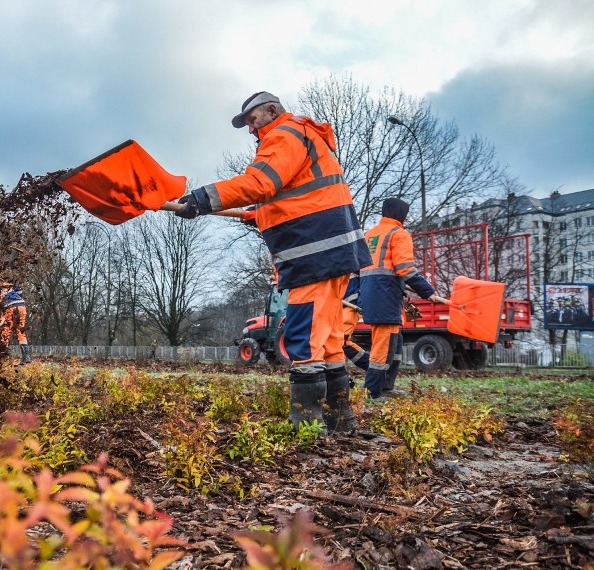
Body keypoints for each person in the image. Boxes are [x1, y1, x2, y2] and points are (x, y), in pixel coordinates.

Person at [175, 91, 372, 433]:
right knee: (327, 339)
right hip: (334, 249)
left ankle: (307, 425)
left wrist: (205, 197)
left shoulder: (283, 134)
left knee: (303, 335)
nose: (251, 129)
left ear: (271, 110)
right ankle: (340, 421)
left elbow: (261, 182)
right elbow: (296, 193)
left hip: (312, 249)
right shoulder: (306, 135)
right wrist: (261, 214)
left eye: (252, 120)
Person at [359, 198, 439, 399]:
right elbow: (405, 269)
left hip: (371, 293)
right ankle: (373, 393)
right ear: (401, 214)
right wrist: (428, 292)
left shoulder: (369, 234)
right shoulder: (399, 234)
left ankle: (386, 387)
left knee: (394, 343)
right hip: (385, 295)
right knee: (383, 346)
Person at [342, 273, 369, 372]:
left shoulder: (352, 259)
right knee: (333, 342)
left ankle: (372, 369)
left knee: (342, 341)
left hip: (350, 305)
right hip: (339, 304)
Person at [0, 283, 30, 364]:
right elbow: (20, 293)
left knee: (6, 330)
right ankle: (26, 356)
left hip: (9, 307)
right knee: (20, 331)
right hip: (21, 306)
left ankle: (4, 354)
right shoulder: (15, 287)